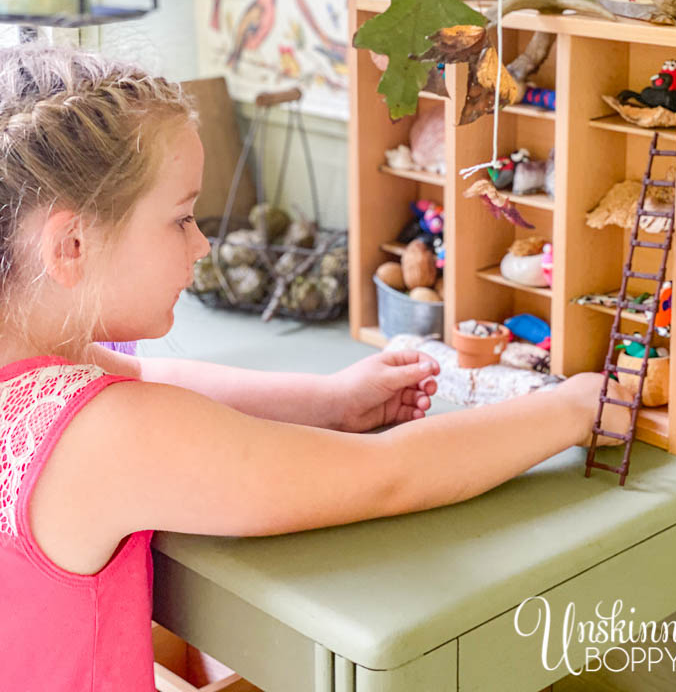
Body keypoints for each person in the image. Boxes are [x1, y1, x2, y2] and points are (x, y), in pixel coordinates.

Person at [0, 43, 633, 690]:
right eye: (182, 218)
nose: (202, 243)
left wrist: (332, 401)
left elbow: (157, 381)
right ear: (71, 245)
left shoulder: (35, 368)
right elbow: (390, 476)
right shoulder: (106, 437)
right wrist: (574, 407)